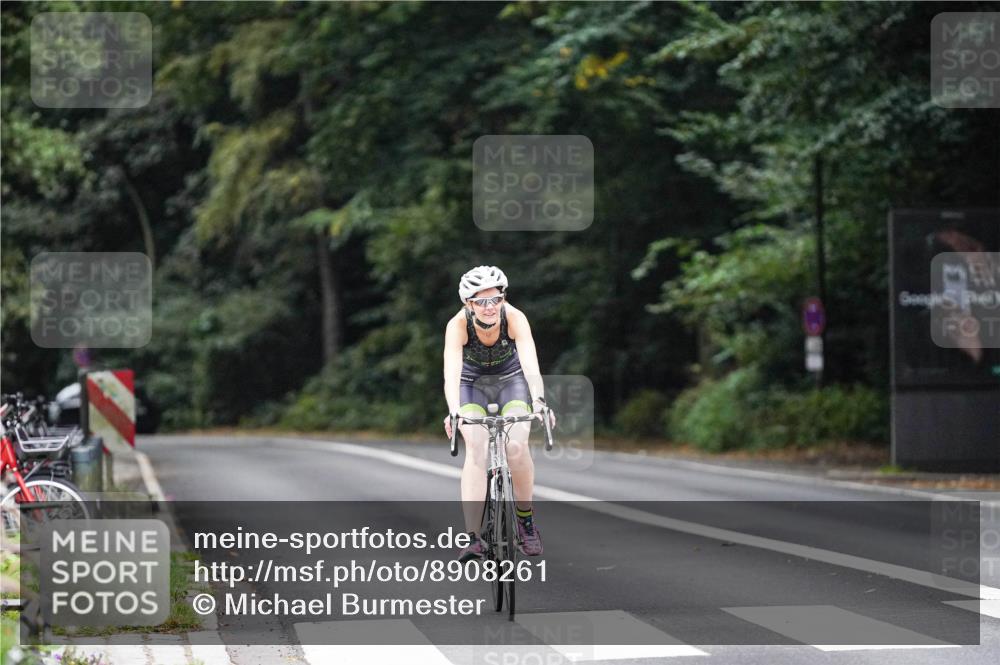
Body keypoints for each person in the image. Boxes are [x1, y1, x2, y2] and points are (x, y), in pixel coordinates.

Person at [442, 265, 554, 561]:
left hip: (510, 381)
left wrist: (540, 402)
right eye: (481, 301)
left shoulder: (515, 317)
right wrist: (454, 411)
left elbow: (530, 364)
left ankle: (526, 523)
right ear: (468, 303)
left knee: (516, 448)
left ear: (503, 298)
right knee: (477, 450)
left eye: (496, 299)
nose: (490, 308)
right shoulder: (458, 325)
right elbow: (451, 372)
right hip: (471, 385)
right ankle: (472, 537)